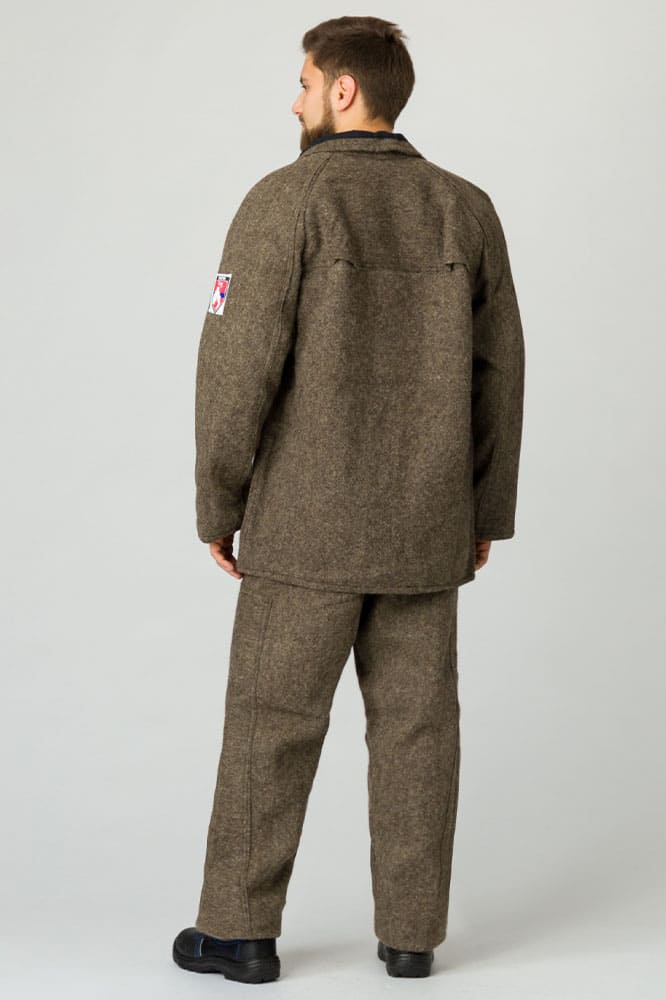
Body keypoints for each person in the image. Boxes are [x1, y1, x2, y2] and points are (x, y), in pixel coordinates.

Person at [172, 15, 525, 984]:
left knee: (270, 722)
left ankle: (240, 931)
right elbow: (501, 373)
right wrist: (484, 510)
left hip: (304, 528)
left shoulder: (284, 201)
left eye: (303, 82)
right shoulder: (467, 210)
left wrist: (217, 501)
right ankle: (412, 936)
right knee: (419, 731)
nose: (292, 101)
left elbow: (233, 367)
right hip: (426, 526)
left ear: (343, 91)